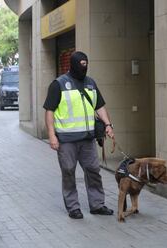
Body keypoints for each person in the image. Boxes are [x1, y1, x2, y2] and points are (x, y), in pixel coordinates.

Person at [43, 51, 114, 219]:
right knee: (68, 172)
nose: (84, 68)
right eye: (81, 64)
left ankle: (97, 205)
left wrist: (108, 125)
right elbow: (49, 112)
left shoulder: (91, 83)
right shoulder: (58, 84)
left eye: (86, 64)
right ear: (73, 65)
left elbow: (100, 106)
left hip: (88, 139)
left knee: (93, 171)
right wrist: (52, 136)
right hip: (66, 140)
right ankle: (73, 207)